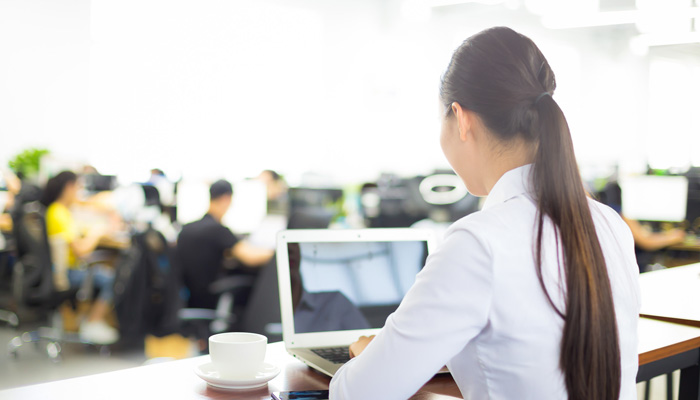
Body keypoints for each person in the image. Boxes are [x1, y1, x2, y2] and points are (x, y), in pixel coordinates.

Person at [329, 27, 639, 400]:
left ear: (460, 119)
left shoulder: (478, 243)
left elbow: (357, 393)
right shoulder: (610, 224)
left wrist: (371, 355)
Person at [42, 171, 120, 344]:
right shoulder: (58, 213)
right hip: (67, 273)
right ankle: (93, 321)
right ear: (69, 187)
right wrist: (97, 233)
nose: (80, 191)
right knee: (113, 278)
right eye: (78, 186)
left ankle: (88, 320)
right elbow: (81, 251)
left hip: (63, 269)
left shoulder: (60, 211)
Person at [177, 179, 274, 309]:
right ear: (226, 199)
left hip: (189, 296)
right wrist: (279, 251)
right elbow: (250, 257)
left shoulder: (187, 228)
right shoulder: (217, 230)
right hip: (208, 297)